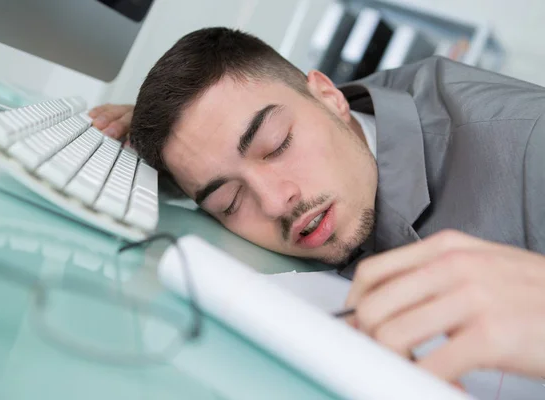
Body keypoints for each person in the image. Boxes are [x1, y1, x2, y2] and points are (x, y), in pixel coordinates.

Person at [89, 27, 545, 384]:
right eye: (230, 201)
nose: (275, 202)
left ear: (330, 95)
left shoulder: (529, 146)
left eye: (276, 145)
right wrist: (180, 154)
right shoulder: (308, 111)